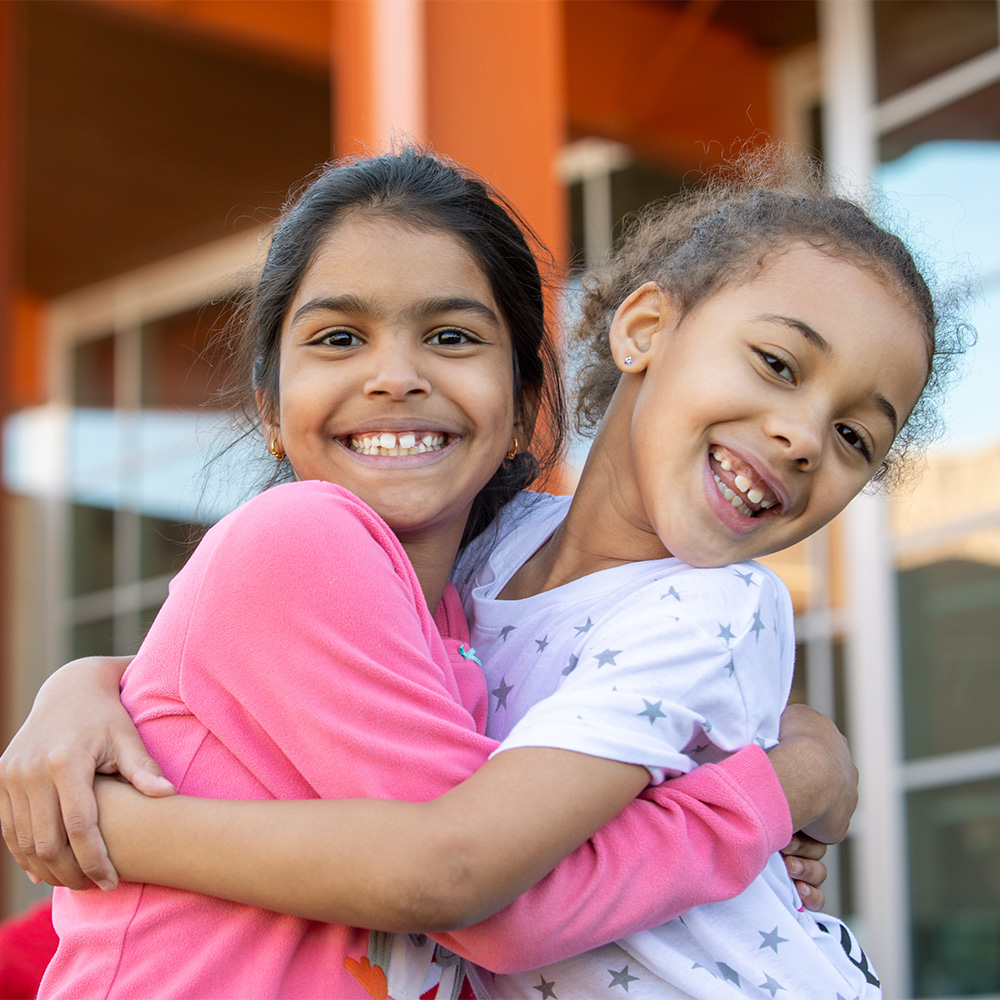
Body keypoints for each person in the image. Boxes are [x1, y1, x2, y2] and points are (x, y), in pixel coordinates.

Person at [0, 148, 850, 1000]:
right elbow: (482, 892)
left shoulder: (466, 617)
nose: (395, 377)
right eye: (338, 338)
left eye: (450, 337)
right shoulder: (304, 536)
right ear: (269, 406)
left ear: (522, 405)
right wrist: (776, 787)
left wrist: (90, 683)